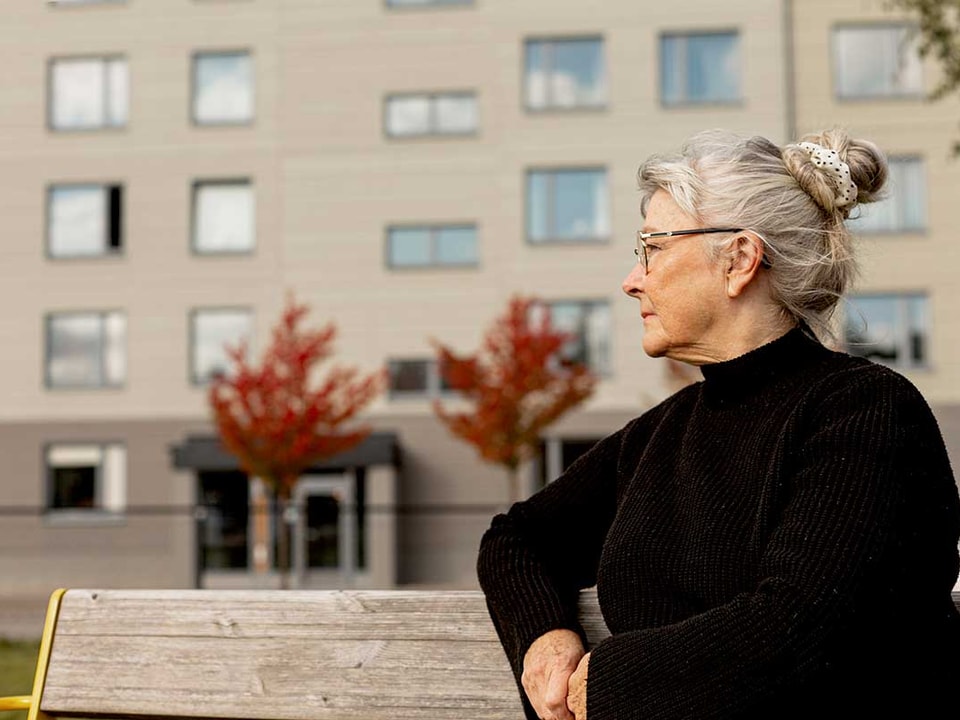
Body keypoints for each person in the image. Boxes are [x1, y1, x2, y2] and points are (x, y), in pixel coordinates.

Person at [477, 129, 960, 720]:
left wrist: (606, 685)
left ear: (738, 259)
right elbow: (516, 539)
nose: (633, 279)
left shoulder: (865, 412)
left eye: (652, 247)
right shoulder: (660, 434)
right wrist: (546, 640)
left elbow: (800, 627)